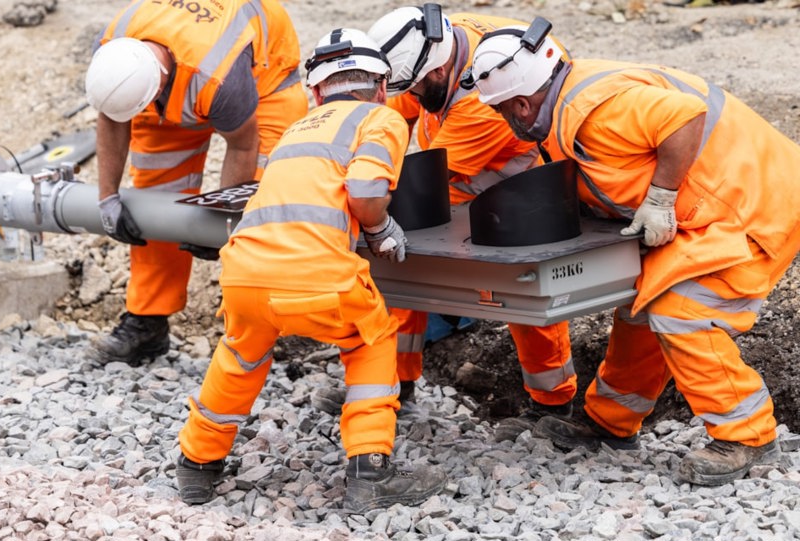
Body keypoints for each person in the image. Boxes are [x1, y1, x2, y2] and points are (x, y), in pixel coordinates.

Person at [469, 19, 800, 485]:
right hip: (714, 206)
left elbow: (684, 116)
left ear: (522, 103)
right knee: (642, 306)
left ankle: (747, 436)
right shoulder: (568, 99)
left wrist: (661, 198)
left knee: (683, 311)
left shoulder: (595, 107)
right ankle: (610, 422)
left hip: (750, 205)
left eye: (503, 110)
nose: (506, 121)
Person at [175, 28, 447, 513]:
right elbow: (365, 189)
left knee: (242, 354)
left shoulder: (299, 129)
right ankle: (370, 472)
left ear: (316, 92)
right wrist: (381, 229)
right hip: (316, 275)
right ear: (383, 86)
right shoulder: (381, 118)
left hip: (244, 272)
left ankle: (197, 466)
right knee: (371, 339)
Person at [316, 4, 577, 439]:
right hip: (455, 166)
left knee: (523, 286)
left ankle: (553, 402)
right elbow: (391, 112)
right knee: (397, 259)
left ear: (435, 73)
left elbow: (422, 174)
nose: (413, 98)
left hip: (522, 180)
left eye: (416, 90)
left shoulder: (478, 102)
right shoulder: (431, 40)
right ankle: (392, 383)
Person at [83, 0, 308, 365]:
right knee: (156, 198)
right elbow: (111, 119)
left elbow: (242, 143)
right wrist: (107, 196)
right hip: (183, 72)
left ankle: (275, 325)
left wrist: (224, 220)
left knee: (266, 196)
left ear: (157, 86)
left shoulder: (220, 79)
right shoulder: (113, 52)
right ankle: (148, 322)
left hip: (262, 81)